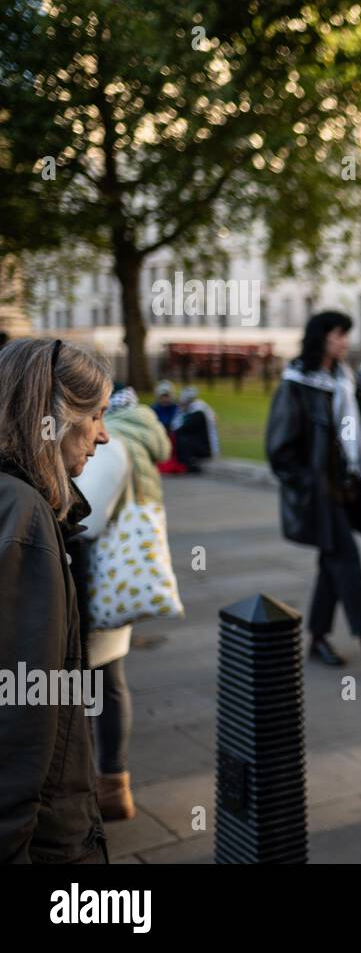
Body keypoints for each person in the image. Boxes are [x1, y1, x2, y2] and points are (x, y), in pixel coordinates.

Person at [0, 337, 111, 863]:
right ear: (57, 416)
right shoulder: (24, 517)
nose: (104, 435)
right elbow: (24, 709)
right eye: (98, 416)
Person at [265, 311, 361, 671]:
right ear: (320, 338)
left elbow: (360, 426)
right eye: (339, 335)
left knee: (331, 563)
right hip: (320, 493)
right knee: (347, 559)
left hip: (347, 484)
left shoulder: (343, 380)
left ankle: (318, 637)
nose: (344, 342)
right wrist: (309, 482)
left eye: (345, 335)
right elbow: (279, 450)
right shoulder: (297, 383)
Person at [69, 385, 173, 822]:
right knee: (107, 682)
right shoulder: (143, 441)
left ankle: (108, 786)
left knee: (100, 686)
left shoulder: (115, 447)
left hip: (98, 582)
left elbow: (86, 521)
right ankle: (111, 784)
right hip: (119, 579)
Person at [167, 385, 218, 473]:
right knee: (180, 438)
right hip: (196, 444)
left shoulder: (198, 411)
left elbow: (181, 428)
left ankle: (187, 465)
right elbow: (174, 426)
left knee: (182, 439)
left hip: (205, 448)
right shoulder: (186, 410)